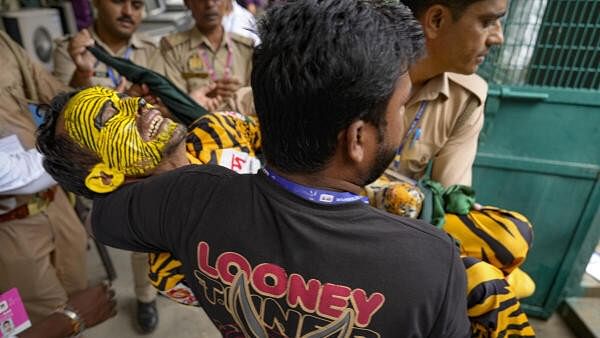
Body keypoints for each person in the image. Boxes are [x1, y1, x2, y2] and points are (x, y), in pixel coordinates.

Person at [37, 0, 472, 336]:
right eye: (400, 107)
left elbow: (107, 220)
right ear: (356, 139)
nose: (138, 106)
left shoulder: (187, 203)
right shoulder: (434, 264)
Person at [52, 0, 163, 332]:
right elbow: (55, 113)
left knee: (149, 228)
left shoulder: (150, 48)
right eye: (119, 1)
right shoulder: (70, 49)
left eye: (139, 5)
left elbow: (161, 97)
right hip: (97, 166)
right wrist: (83, 75)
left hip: (142, 156)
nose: (129, 12)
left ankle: (146, 296)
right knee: (118, 224)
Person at [0, 30, 91, 327]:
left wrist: (86, 86)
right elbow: (6, 175)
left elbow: (51, 92)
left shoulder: (3, 42)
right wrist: (81, 148)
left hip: (55, 204)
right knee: (43, 323)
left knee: (81, 299)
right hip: (10, 229)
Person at [160, 0, 254, 112]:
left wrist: (239, 95)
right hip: (193, 126)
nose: (209, 4)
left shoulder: (246, 48)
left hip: (241, 127)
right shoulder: (172, 49)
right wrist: (193, 102)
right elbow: (172, 104)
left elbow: (255, 100)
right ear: (187, 3)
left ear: (228, 2)